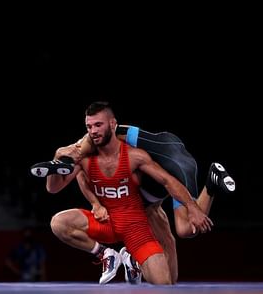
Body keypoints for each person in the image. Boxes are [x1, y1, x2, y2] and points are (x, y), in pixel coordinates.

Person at [31, 113, 235, 283]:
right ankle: (130, 259)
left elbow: (167, 182)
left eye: (97, 127)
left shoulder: (129, 144)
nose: (93, 134)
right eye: (90, 128)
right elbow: (64, 178)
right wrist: (93, 201)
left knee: (186, 229)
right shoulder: (98, 155)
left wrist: (192, 207)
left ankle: (211, 184)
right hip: (145, 194)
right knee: (169, 277)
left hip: (175, 171)